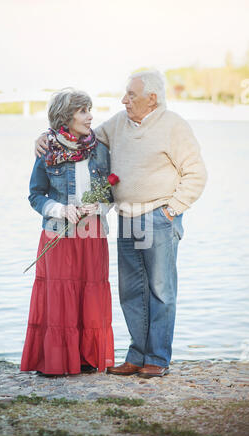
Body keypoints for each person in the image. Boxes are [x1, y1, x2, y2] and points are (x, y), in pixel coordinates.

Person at [35, 71, 207, 378]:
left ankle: (157, 358)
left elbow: (196, 173)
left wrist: (172, 211)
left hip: (158, 217)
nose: (123, 99)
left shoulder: (174, 126)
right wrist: (45, 137)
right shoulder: (117, 124)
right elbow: (79, 137)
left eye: (130, 94)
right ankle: (136, 356)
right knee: (132, 292)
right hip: (127, 219)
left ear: (151, 98)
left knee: (161, 291)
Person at [21, 88, 114, 376]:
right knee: (59, 295)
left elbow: (110, 194)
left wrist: (99, 205)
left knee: (90, 293)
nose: (90, 116)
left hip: (92, 234)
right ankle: (56, 362)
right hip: (57, 234)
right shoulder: (47, 149)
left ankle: (85, 359)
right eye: (83, 111)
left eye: (90, 109)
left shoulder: (99, 149)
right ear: (66, 117)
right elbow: (35, 195)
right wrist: (61, 210)